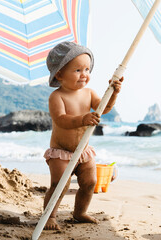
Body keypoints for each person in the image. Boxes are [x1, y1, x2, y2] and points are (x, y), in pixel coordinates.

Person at [42, 41, 123, 230]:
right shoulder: (57, 96)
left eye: (87, 69)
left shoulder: (89, 93)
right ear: (60, 74)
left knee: (90, 182)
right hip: (61, 152)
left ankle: (79, 212)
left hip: (83, 151)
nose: (84, 74)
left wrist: (114, 93)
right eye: (77, 70)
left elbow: (105, 108)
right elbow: (61, 119)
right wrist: (83, 119)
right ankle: (49, 216)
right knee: (58, 185)